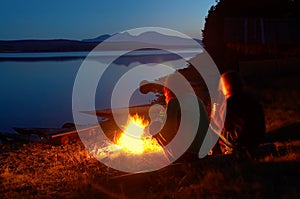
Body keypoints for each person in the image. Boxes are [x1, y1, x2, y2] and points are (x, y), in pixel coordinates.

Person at [140, 74, 209, 159]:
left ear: (168, 90)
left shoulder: (175, 102)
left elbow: (167, 133)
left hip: (188, 155)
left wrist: (157, 125)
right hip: (203, 150)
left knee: (154, 128)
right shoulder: (198, 100)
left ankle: (173, 161)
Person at [211, 71, 266, 157]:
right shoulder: (252, 99)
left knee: (212, 125)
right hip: (256, 140)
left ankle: (217, 153)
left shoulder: (228, 103)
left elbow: (225, 126)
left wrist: (215, 112)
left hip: (239, 143)